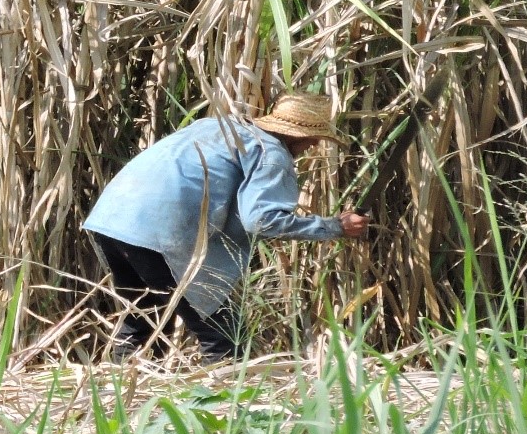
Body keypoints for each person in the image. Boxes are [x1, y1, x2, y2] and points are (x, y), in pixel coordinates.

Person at [81, 91, 369, 360]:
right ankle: (224, 408)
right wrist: (334, 227)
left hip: (111, 220)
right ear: (301, 135)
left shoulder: (216, 127)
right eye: (313, 139)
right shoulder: (271, 154)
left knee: (144, 322)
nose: (314, 145)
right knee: (224, 339)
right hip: (159, 232)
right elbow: (262, 220)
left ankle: (119, 402)